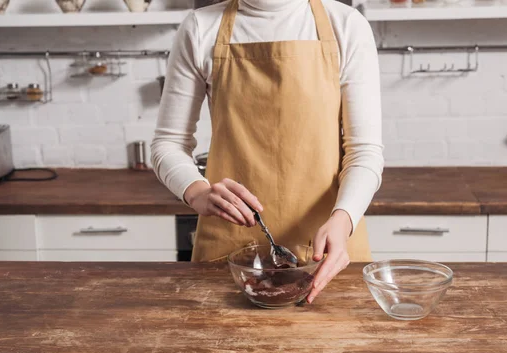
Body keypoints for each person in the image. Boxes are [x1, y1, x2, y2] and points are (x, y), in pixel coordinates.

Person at [152, 0, 383, 303]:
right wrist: (197, 192)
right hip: (230, 258)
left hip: (327, 253)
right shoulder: (199, 28)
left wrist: (344, 220)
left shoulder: (347, 26)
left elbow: (364, 151)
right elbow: (168, 143)